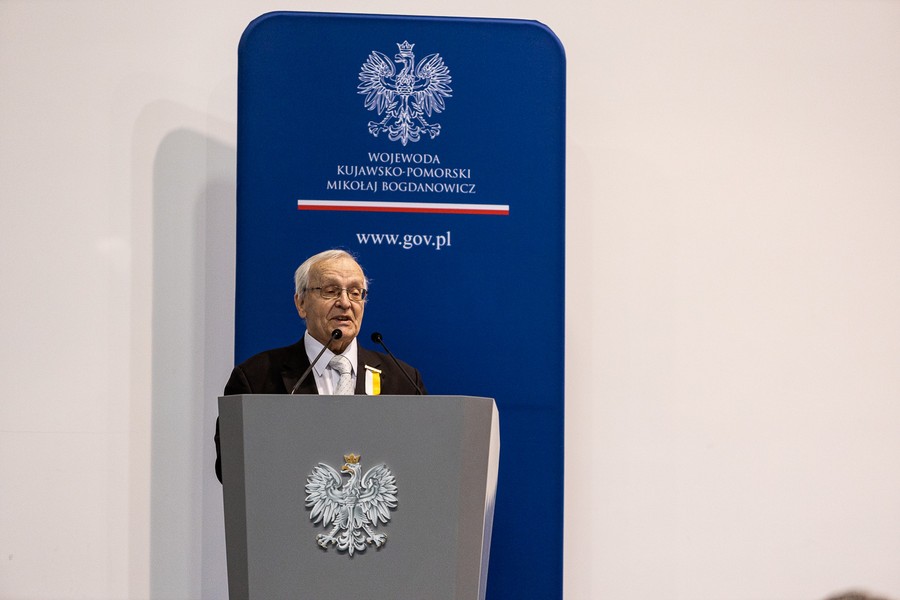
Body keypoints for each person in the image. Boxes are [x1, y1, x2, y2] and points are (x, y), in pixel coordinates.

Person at [214, 249, 426, 482]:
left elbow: (423, 464)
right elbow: (231, 468)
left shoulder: (404, 381)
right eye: (330, 291)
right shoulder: (256, 379)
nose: (345, 303)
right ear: (301, 303)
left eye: (355, 293)